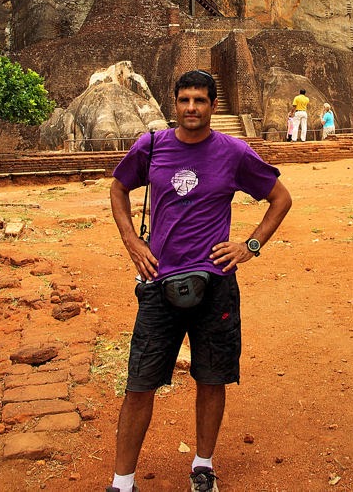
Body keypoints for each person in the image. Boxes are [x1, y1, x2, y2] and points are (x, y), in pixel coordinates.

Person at [107, 70, 292, 492]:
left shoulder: (233, 152)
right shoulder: (152, 146)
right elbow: (118, 189)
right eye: (185, 100)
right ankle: (122, 481)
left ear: (212, 105)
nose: (192, 108)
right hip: (159, 280)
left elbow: (280, 198)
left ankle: (203, 464)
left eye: (201, 101)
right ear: (174, 103)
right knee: (139, 383)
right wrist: (133, 241)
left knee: (212, 377)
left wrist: (250, 245)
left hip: (215, 282)